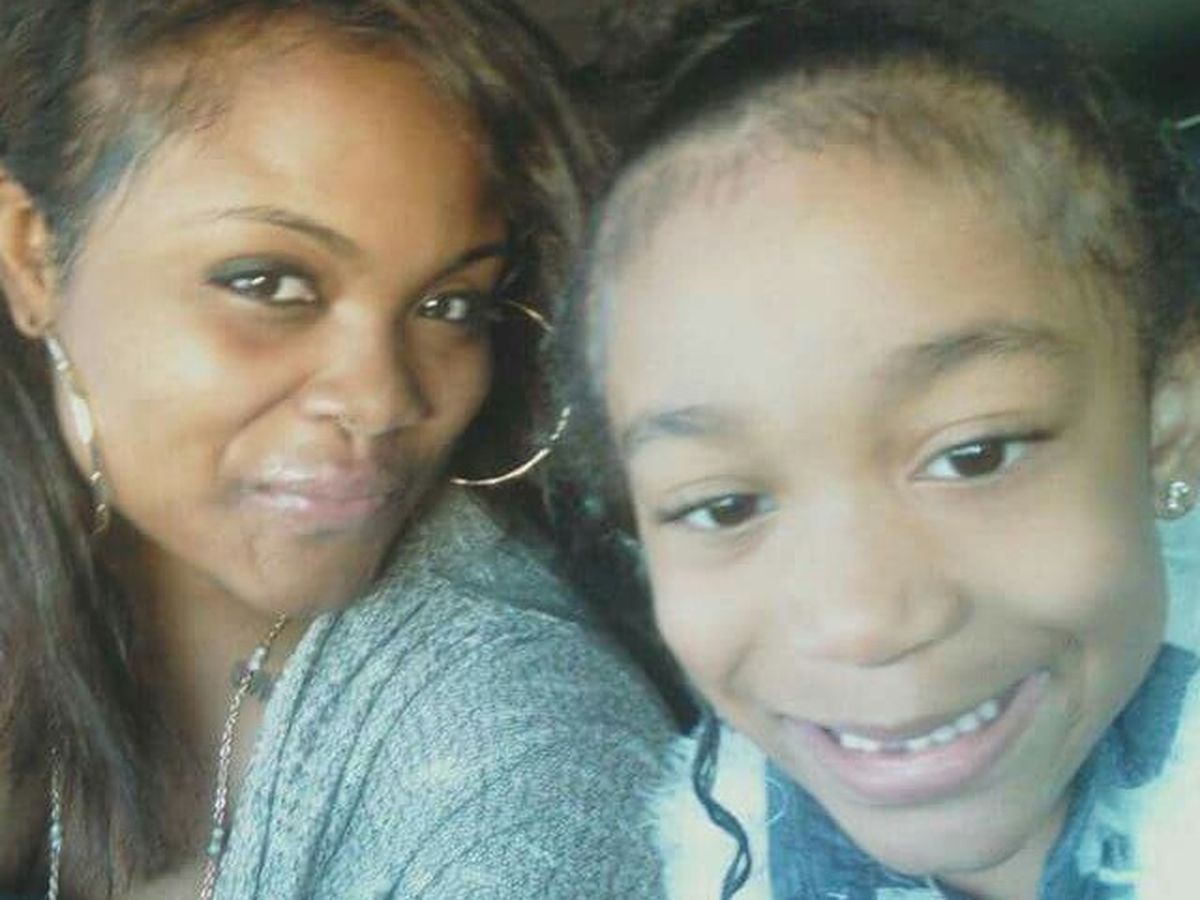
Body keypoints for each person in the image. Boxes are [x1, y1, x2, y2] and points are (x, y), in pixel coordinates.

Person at [0, 1, 674, 897]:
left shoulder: (523, 760)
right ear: (33, 256)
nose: (384, 400)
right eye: (270, 283)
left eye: (450, 305)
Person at [551, 0, 1200, 896]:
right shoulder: (719, 854)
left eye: (974, 455)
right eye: (723, 506)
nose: (858, 622)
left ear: (1169, 423)